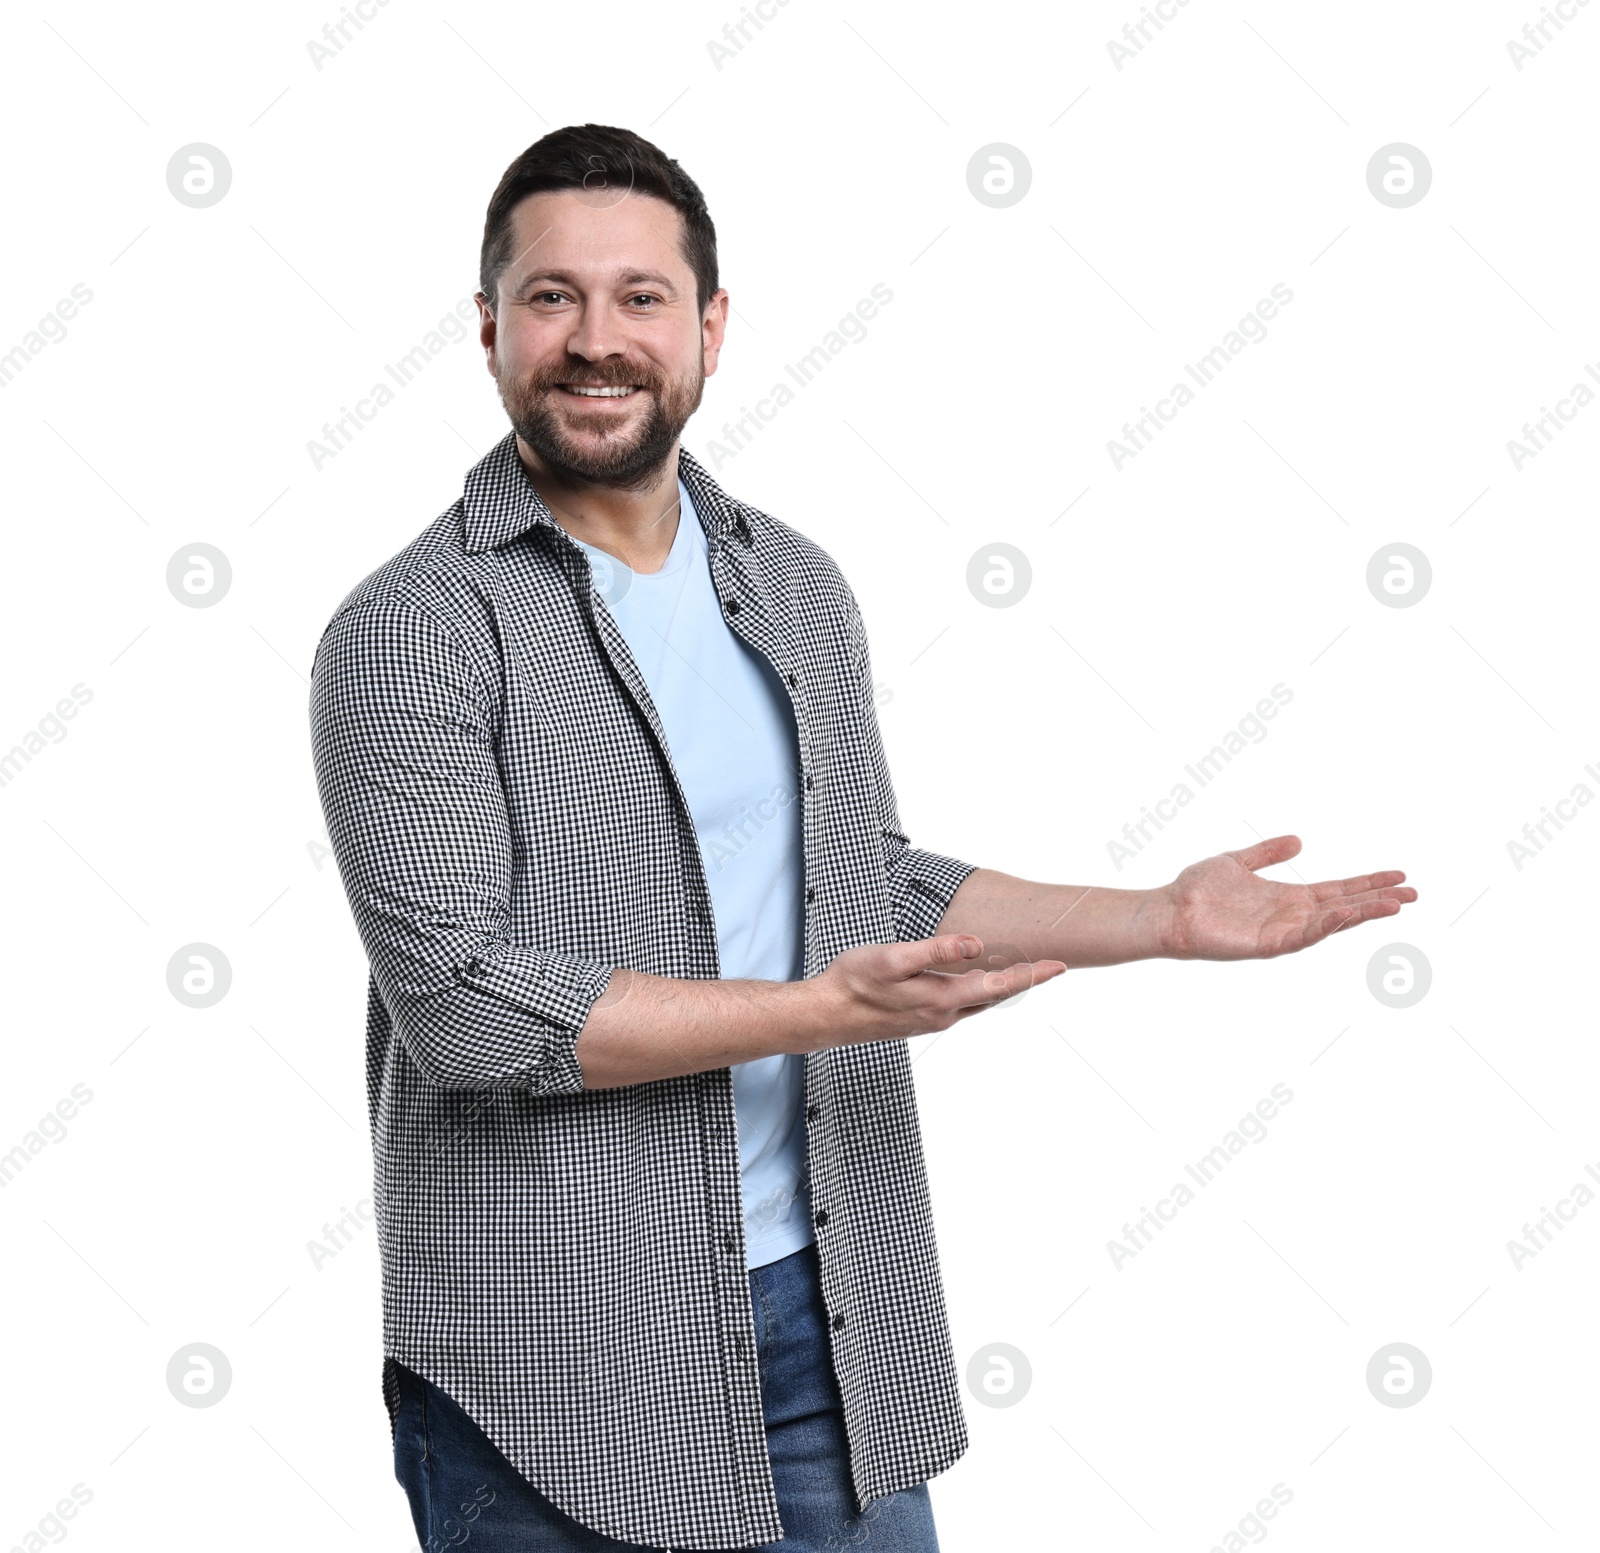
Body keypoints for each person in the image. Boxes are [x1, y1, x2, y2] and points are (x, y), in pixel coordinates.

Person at [307, 123, 1416, 1553]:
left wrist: (1153, 918)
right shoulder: (410, 632)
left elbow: (858, 871)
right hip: (564, 1367)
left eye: (642, 297)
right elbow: (462, 1004)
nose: (597, 340)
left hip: (837, 1314)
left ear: (710, 327)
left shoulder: (796, 587)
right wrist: (818, 1011)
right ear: (489, 328)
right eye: (552, 297)